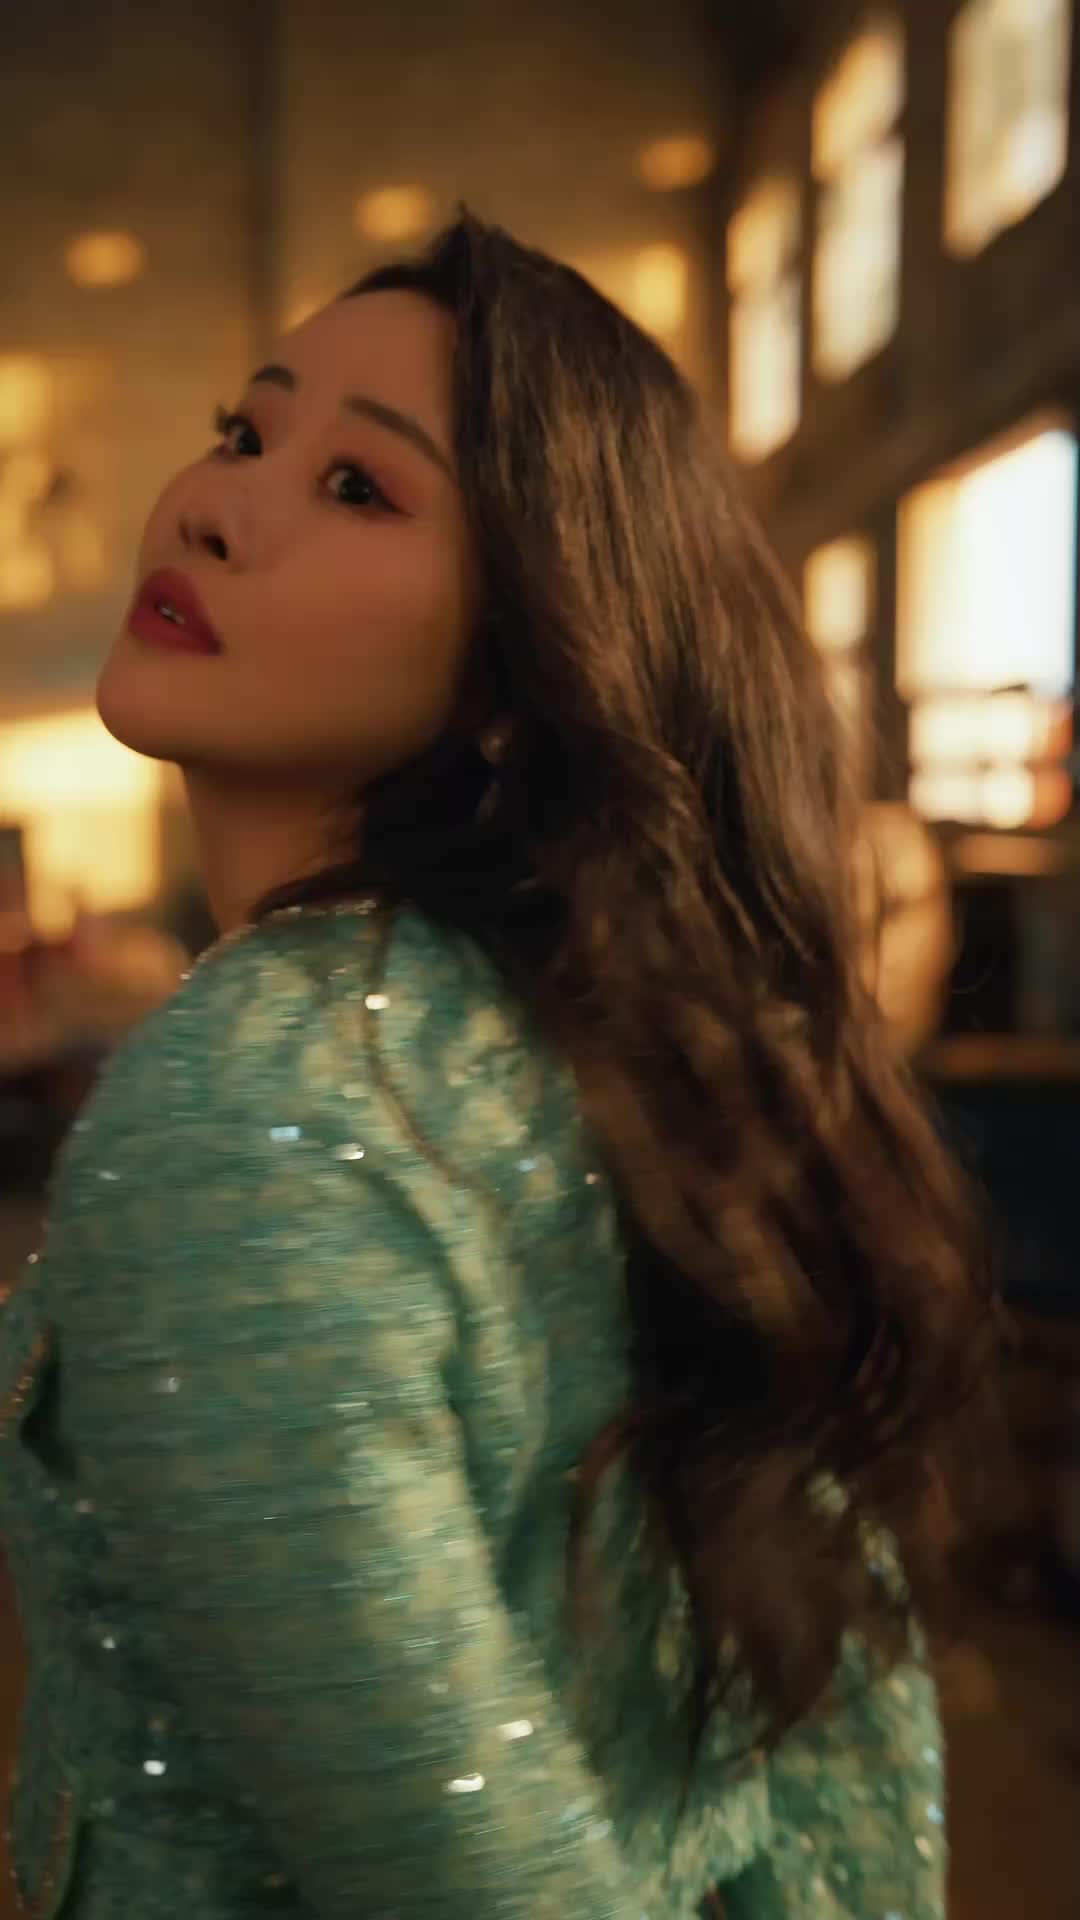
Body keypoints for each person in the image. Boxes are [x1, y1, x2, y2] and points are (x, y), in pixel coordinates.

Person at [0, 214, 994, 1920]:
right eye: (246, 432)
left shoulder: (254, 1107)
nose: (215, 505)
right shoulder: (591, 1054)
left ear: (519, 675)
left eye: (358, 486)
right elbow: (829, 1787)